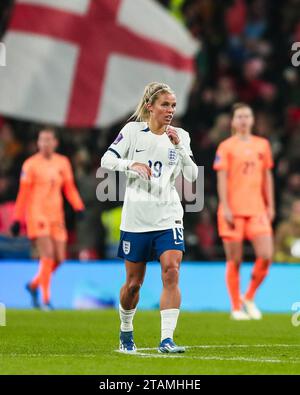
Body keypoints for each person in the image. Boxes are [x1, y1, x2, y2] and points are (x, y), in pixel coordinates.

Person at [101, 82, 198, 353]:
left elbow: (192, 176)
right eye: (165, 105)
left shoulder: (180, 135)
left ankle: (166, 339)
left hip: (168, 216)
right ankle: (126, 330)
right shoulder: (132, 131)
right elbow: (106, 161)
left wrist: (180, 148)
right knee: (134, 285)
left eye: (173, 106)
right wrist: (131, 164)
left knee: (171, 270)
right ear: (150, 106)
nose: (170, 110)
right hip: (136, 219)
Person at [10, 128, 85, 310]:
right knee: (48, 255)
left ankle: (34, 285)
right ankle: (45, 299)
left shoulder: (63, 162)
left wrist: (78, 206)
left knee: (59, 258)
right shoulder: (30, 165)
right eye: (42, 140)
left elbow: (69, 187)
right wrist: (17, 219)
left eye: (48, 140)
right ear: (37, 143)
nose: (45, 143)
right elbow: (23, 194)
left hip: (56, 215)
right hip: (37, 214)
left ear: (55, 143)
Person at [213, 103, 274, 320]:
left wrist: (270, 206)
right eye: (239, 116)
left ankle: (248, 296)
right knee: (235, 260)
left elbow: (267, 177)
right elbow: (221, 179)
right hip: (233, 211)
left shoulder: (263, 145)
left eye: (247, 116)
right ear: (233, 121)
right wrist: (226, 207)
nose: (243, 120)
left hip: (257, 209)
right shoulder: (226, 147)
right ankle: (236, 308)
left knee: (266, 256)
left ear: (253, 119)